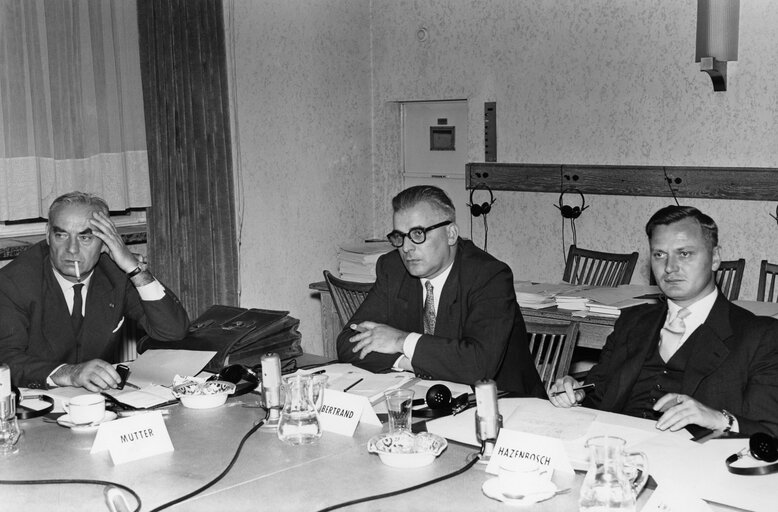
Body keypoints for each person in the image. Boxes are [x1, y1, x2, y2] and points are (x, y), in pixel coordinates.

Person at [550, 205, 778, 436]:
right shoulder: (632, 322)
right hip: (615, 450)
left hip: (695, 462)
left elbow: (769, 430)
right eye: (659, 255)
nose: (669, 268)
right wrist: (575, 393)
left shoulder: (760, 336)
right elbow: (596, 394)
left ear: (715, 258)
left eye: (684, 254)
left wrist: (720, 420)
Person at [336, 185, 544, 396]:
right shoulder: (393, 268)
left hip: (504, 405)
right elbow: (348, 343)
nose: (406, 247)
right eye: (399, 236)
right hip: (433, 398)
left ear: (451, 234)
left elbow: (478, 366)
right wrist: (409, 361)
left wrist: (400, 341)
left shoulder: (489, 276)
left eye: (418, 234)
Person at [0, 192, 190, 391]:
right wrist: (69, 373)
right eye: (61, 235)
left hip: (95, 400)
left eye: (85, 237)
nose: (71, 249)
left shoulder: (115, 273)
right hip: (34, 399)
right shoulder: (14, 282)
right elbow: (5, 358)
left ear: (105, 242)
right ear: (48, 235)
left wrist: (134, 269)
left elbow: (173, 331)